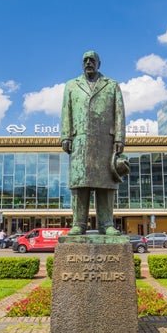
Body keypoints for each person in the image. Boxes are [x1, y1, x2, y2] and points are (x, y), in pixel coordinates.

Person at [61, 50, 126, 235]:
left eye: (92, 60)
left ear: (99, 63)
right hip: (79, 140)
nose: (88, 62)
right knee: (80, 184)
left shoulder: (112, 85)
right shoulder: (71, 85)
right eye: (85, 60)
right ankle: (78, 224)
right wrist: (65, 135)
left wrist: (120, 138)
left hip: (105, 141)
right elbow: (66, 111)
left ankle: (106, 224)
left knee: (105, 184)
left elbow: (119, 113)